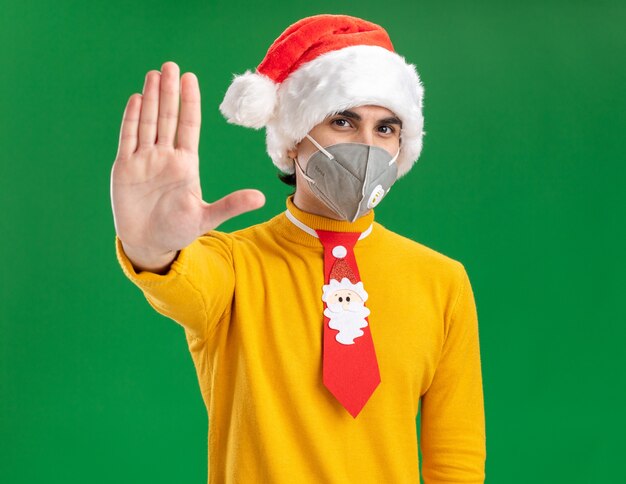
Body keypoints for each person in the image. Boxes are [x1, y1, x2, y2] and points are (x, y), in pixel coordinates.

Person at [110, 14, 486, 484]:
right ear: (292, 141)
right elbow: (181, 283)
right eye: (343, 121)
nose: (367, 146)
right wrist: (150, 247)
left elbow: (456, 459)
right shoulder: (232, 265)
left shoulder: (442, 282)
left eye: (386, 129)